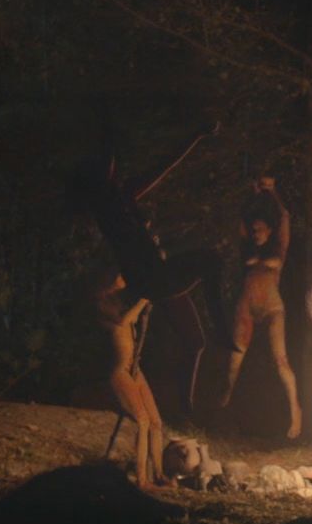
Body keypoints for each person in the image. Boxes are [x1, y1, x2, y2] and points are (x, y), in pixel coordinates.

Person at [72, 122, 227, 417]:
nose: (113, 171)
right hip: (150, 278)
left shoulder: (124, 195)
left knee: (195, 342)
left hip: (158, 272)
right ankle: (188, 402)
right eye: (108, 168)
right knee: (209, 263)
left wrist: (195, 136)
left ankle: (187, 408)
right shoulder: (106, 206)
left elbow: (163, 166)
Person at [217, 175, 302, 439]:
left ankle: (296, 411)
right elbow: (241, 219)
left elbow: (284, 216)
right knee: (235, 358)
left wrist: (271, 192)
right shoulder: (246, 248)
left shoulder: (279, 248)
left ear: (269, 231)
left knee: (281, 361)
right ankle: (223, 403)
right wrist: (252, 195)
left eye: (259, 230)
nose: (255, 234)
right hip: (247, 305)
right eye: (253, 230)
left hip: (272, 308)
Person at [92, 277, 167, 487]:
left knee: (156, 423)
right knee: (142, 420)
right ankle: (142, 478)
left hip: (135, 369)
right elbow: (125, 320)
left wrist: (145, 306)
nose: (121, 281)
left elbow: (132, 317)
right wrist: (144, 300)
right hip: (120, 372)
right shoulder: (103, 310)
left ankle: (159, 474)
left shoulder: (120, 307)